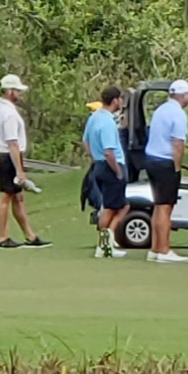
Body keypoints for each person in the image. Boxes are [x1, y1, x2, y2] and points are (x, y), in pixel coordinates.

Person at [0, 73, 50, 249]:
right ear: (9, 91)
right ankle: (2, 237)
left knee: (18, 197)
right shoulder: (8, 113)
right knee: (6, 195)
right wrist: (20, 171)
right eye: (17, 90)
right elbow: (12, 143)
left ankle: (30, 235)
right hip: (7, 156)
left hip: (7, 156)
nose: (19, 94)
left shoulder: (0, 108)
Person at [144, 78, 188, 263]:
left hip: (151, 160)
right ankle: (164, 251)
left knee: (159, 205)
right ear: (182, 96)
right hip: (165, 163)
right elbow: (178, 144)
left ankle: (155, 249)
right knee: (166, 207)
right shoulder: (178, 114)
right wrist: (177, 168)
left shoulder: (161, 109)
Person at [82, 85, 130, 258]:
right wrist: (117, 171)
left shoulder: (95, 117)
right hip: (111, 166)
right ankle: (103, 245)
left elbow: (85, 141)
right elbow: (109, 151)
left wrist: (95, 158)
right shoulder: (107, 122)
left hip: (100, 165)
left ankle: (107, 240)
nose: (121, 102)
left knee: (122, 205)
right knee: (110, 208)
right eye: (120, 98)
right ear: (115, 100)